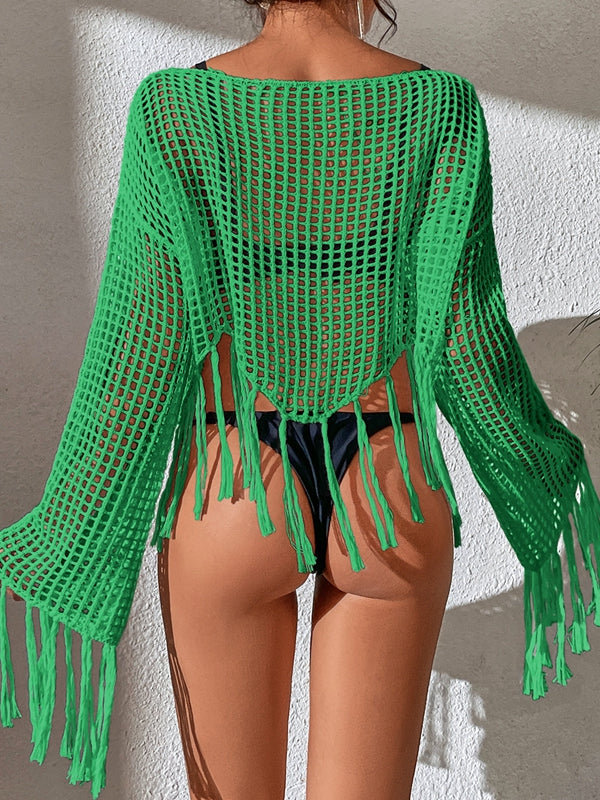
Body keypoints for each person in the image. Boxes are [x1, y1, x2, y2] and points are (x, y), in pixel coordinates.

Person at [2, 1, 600, 798]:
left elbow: (140, 352)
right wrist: (555, 472)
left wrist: (62, 531)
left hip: (235, 480)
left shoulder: (176, 110)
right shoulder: (437, 106)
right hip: (387, 483)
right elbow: (465, 341)